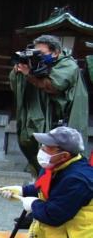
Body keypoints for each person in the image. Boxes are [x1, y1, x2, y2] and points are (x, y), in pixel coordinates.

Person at [12, 34, 89, 174]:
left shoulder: (67, 65)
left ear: (55, 52)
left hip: (59, 123)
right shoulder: (38, 65)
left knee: (58, 161)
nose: (37, 57)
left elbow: (53, 86)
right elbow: (16, 85)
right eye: (35, 53)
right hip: (36, 120)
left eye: (41, 54)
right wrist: (21, 69)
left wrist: (29, 74)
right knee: (38, 157)